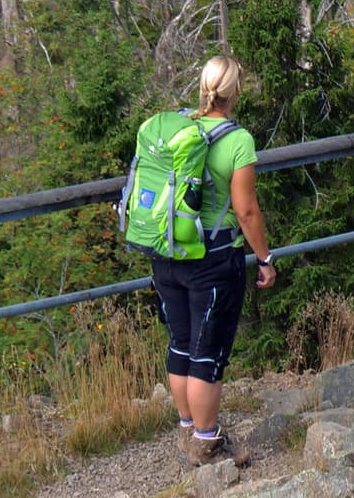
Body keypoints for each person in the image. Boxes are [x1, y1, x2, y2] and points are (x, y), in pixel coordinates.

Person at [151, 56, 278, 466]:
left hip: (167, 251)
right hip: (214, 255)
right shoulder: (237, 140)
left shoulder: (180, 127)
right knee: (208, 351)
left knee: (182, 344)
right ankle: (206, 444)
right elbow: (246, 211)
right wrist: (265, 258)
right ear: (234, 91)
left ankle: (189, 428)